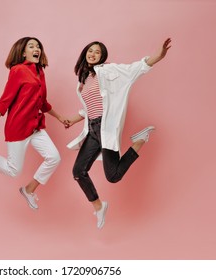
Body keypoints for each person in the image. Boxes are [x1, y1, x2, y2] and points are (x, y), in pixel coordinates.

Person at [65, 38, 172, 229]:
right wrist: (73, 120)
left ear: (102, 56)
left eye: (97, 52)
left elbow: (134, 69)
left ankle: (139, 140)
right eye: (90, 51)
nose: (93, 54)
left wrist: (158, 56)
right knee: (78, 172)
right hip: (92, 129)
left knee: (113, 176)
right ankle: (99, 207)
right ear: (85, 53)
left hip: (105, 128)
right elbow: (89, 107)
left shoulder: (108, 71)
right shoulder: (83, 79)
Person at [0, 37, 66, 210]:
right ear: (23, 52)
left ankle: (28, 190)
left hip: (35, 126)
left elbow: (42, 103)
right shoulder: (18, 70)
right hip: (18, 127)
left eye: (38, 46)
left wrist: (59, 118)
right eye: (31, 46)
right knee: (14, 171)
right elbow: (6, 98)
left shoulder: (40, 72)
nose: (36, 49)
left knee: (54, 157)